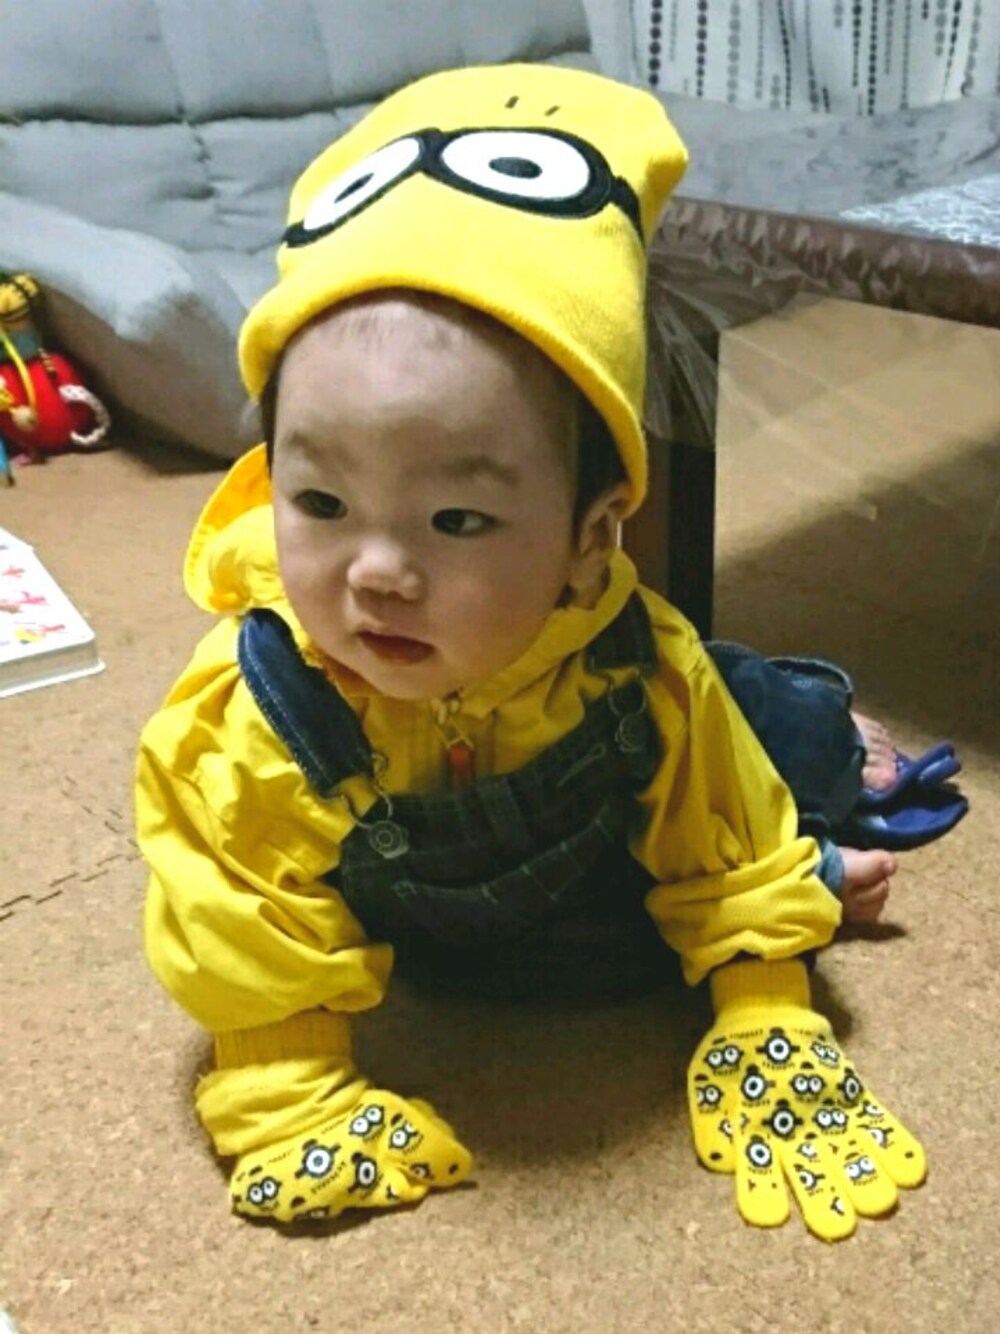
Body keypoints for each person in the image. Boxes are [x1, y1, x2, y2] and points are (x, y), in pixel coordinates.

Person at [136, 63, 940, 1241]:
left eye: (456, 518)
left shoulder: (637, 663)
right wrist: (285, 1090)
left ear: (590, 536)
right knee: (542, 969)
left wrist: (764, 995)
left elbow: (714, 834)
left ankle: (821, 743)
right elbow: (235, 910)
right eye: (320, 501)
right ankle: (804, 839)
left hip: (614, 816)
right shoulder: (257, 710)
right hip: (471, 912)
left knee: (760, 738)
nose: (376, 572)